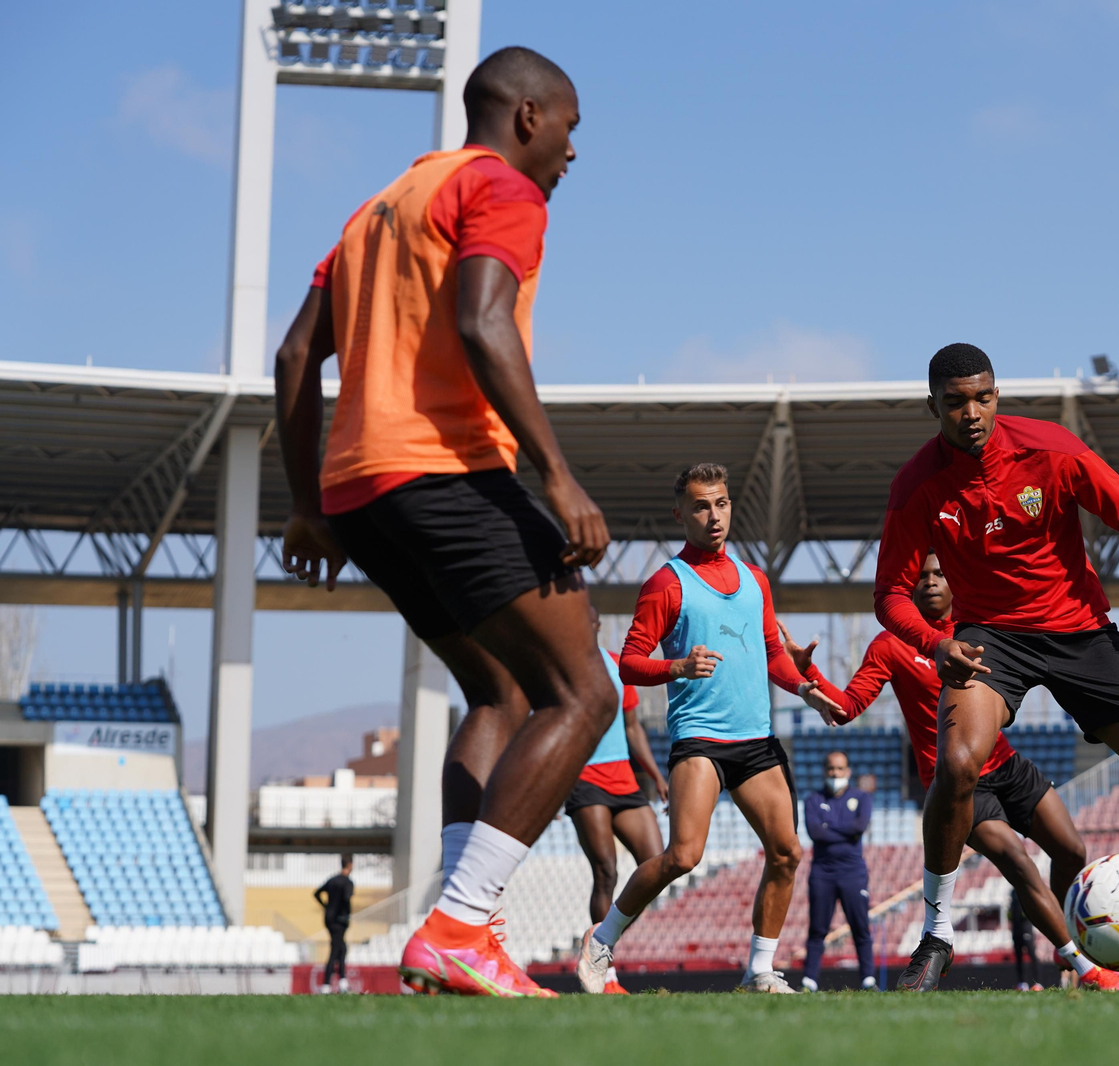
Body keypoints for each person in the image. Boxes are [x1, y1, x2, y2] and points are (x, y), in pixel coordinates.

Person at [273, 46, 616, 998]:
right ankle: (461, 925)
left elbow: (296, 356)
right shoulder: (503, 188)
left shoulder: (376, 210)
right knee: (584, 692)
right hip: (447, 470)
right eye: (570, 129)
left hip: (361, 493)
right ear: (529, 117)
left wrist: (305, 501)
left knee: (497, 693)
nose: (573, 153)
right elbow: (482, 320)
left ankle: (471, 932)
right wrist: (557, 476)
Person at [872, 343, 1119, 990]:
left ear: (997, 396)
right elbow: (890, 593)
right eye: (955, 403)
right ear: (933, 407)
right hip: (991, 638)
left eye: (983, 398)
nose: (971, 413)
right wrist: (935, 641)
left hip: (1081, 632)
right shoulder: (917, 484)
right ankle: (937, 936)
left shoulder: (1052, 450)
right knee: (957, 764)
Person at [790, 554, 1119, 991]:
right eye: (921, 577)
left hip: (1006, 764)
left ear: (956, 582)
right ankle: (1087, 968)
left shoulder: (980, 630)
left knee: (1071, 850)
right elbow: (847, 707)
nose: (930, 582)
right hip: (959, 785)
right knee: (1019, 863)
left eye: (939, 574)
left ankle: (1063, 945)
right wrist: (808, 672)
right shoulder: (890, 645)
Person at [573, 463, 844, 994]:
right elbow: (630, 664)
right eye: (700, 506)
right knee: (683, 856)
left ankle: (759, 972)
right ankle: (601, 939)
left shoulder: (755, 580)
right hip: (700, 739)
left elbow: (772, 652)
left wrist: (806, 689)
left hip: (757, 742)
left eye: (720, 503)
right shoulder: (666, 583)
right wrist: (677, 666)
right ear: (680, 514)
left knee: (787, 852)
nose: (713, 515)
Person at [568, 605, 670, 994]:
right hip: (583, 779)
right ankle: (606, 974)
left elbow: (632, 728)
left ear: (597, 625)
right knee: (606, 871)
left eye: (588, 620)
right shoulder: (561, 667)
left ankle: (599, 940)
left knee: (657, 864)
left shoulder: (617, 666)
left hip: (625, 781)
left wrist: (656, 776)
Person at [800, 751, 876, 992]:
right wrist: (845, 831)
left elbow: (859, 826)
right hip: (822, 873)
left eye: (840, 768)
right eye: (831, 769)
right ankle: (809, 981)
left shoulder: (862, 797)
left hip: (853, 872)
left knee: (860, 927)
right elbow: (815, 832)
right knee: (817, 928)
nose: (836, 773)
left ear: (848, 771)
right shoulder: (813, 800)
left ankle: (868, 980)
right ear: (825, 771)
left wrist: (829, 827)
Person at [315, 855, 355, 993]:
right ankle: (326, 985)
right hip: (339, 920)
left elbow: (317, 893)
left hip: (329, 919)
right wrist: (346, 915)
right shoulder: (348, 882)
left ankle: (343, 981)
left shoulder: (332, 880)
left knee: (342, 948)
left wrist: (326, 907)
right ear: (350, 865)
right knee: (336, 950)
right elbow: (346, 899)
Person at [1009, 889, 1040, 991]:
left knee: (1032, 955)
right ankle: (1022, 983)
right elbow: (1011, 913)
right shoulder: (1013, 892)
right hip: (1016, 930)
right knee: (1018, 957)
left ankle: (1038, 982)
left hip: (1026, 928)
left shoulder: (1025, 891)